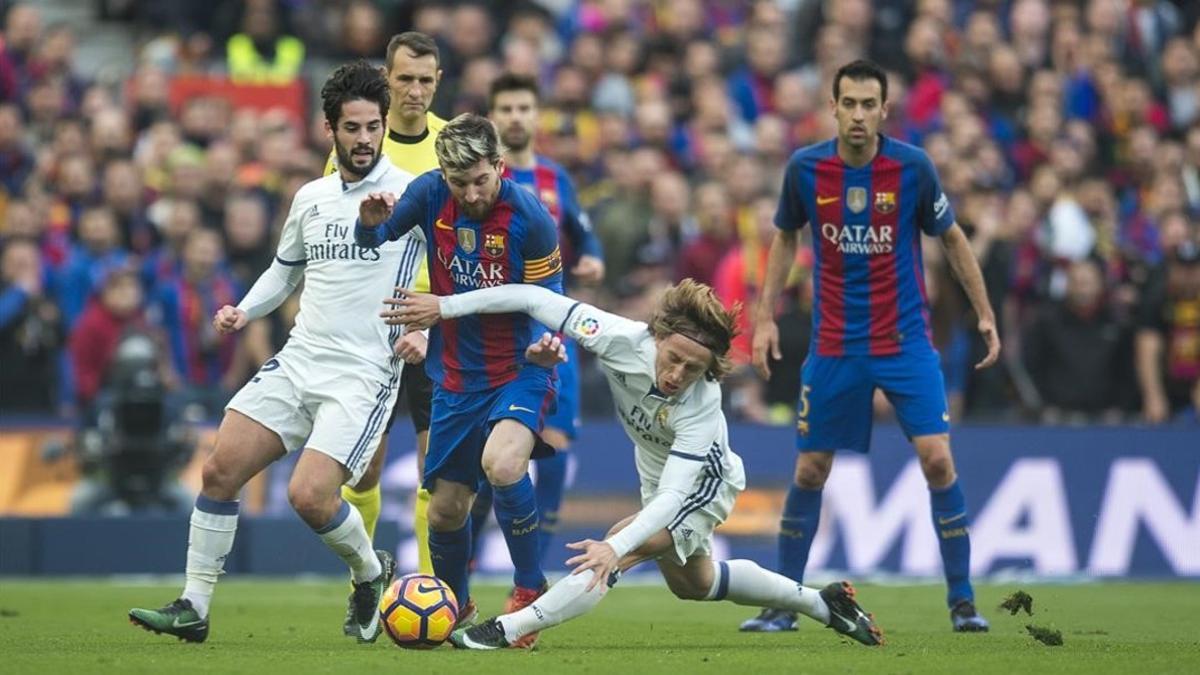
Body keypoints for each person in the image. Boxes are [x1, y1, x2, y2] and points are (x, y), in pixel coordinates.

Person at [382, 280, 884, 650]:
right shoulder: (619, 337)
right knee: (695, 583)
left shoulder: (703, 404)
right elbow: (533, 299)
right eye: (674, 358)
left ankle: (508, 629)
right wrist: (445, 307)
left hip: (702, 481)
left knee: (618, 552)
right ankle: (824, 603)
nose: (677, 374)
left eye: (693, 369)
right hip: (655, 470)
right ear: (658, 337)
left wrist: (614, 546)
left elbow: (672, 499)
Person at [128, 60, 419, 644]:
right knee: (218, 470)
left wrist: (426, 329)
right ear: (330, 129)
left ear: (385, 126)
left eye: (372, 127)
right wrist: (245, 309)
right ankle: (195, 604)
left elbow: (444, 271)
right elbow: (284, 272)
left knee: (309, 497)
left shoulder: (412, 195)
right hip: (301, 355)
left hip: (364, 372)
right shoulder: (309, 197)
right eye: (352, 128)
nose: (364, 139)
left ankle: (368, 573)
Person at [742, 60, 1000, 634]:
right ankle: (784, 604)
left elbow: (952, 239)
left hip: (905, 341)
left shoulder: (913, 168)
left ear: (885, 111)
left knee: (937, 458)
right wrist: (763, 320)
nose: (858, 114)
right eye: (849, 103)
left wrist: (984, 311)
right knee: (811, 469)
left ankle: (962, 602)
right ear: (832, 108)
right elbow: (785, 239)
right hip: (834, 344)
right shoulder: (805, 170)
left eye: (869, 104)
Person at [355, 112, 565, 647]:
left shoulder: (531, 218)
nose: (471, 193)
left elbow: (549, 303)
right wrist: (369, 222)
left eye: (481, 180)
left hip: (521, 369)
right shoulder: (428, 195)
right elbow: (373, 240)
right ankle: (454, 600)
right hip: (454, 376)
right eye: (459, 182)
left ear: (499, 166)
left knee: (501, 464)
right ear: (443, 176)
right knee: (447, 508)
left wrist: (547, 343)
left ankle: (528, 593)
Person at [323, 30, 447, 634]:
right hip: (373, 331)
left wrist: (438, 311)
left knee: (435, 473)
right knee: (363, 471)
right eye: (405, 79)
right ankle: (366, 585)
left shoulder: (452, 147)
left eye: (426, 80)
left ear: (437, 82)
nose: (416, 91)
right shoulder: (355, 148)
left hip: (437, 326)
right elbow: (341, 240)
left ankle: (430, 589)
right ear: (387, 78)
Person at [468, 72, 605, 564]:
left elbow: (586, 237)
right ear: (492, 117)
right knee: (493, 453)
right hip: (493, 335)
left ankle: (531, 574)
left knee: (556, 441)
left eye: (525, 108)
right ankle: (466, 558)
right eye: (506, 109)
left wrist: (593, 259)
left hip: (552, 332)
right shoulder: (476, 183)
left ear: (536, 114)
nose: (516, 117)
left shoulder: (556, 178)